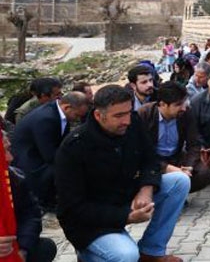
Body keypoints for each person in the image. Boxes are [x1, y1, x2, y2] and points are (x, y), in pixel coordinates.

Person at [56, 85, 188, 262]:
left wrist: (146, 188)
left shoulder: (132, 123)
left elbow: (151, 160)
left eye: (128, 112)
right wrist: (126, 217)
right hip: (91, 222)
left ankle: (151, 251)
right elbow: (73, 208)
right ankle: (88, 255)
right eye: (118, 116)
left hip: (123, 197)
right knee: (125, 255)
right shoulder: (74, 147)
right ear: (98, 115)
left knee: (179, 181)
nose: (126, 120)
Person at [11, 92, 89, 211]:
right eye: (76, 115)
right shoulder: (45, 119)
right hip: (30, 163)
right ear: (67, 107)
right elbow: (50, 155)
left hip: (40, 154)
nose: (77, 119)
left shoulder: (59, 112)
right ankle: (48, 202)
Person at [137, 82, 210, 193]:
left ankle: (179, 192)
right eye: (178, 104)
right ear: (163, 104)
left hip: (176, 157)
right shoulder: (144, 114)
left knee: (204, 174)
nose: (183, 108)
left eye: (184, 103)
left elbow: (194, 144)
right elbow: (141, 151)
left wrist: (189, 166)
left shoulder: (186, 113)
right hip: (153, 160)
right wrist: (167, 168)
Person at [1, 130, 58, 262]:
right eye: (3, 151)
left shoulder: (14, 177)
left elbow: (31, 214)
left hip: (11, 246)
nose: (10, 158)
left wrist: (22, 249)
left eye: (9, 149)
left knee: (44, 247)